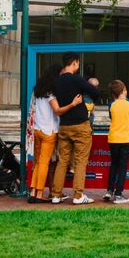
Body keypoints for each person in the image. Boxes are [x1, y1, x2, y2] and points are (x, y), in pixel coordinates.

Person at [50, 52, 102, 205]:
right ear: (74, 63)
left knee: (63, 161)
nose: (78, 66)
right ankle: (78, 195)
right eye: (78, 64)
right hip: (80, 125)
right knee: (80, 161)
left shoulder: (56, 82)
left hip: (64, 125)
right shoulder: (77, 79)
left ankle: (56, 195)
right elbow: (95, 92)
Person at [27, 62, 83, 203]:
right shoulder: (51, 93)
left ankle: (33, 191)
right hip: (48, 131)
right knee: (45, 163)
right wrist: (73, 104)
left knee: (38, 162)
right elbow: (57, 111)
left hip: (37, 129)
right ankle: (39, 193)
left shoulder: (37, 90)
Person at [102, 79, 129, 204]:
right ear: (123, 91)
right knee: (122, 167)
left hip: (113, 138)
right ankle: (119, 194)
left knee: (114, 165)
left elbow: (112, 117)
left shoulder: (112, 105)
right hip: (126, 138)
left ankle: (109, 190)